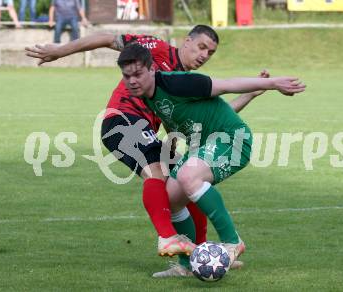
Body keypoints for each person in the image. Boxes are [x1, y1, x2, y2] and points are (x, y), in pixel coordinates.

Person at [25, 25, 263, 275]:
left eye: (210, 52)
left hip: (146, 130)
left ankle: (199, 258)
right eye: (201, 47)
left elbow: (216, 117)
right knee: (157, 174)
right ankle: (168, 237)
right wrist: (60, 51)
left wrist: (251, 95)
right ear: (187, 41)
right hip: (123, 120)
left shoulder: (185, 83)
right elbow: (108, 38)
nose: (204, 55)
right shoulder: (156, 50)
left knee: (185, 181)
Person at [116, 43, 306, 276]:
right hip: (204, 146)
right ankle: (186, 266)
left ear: (151, 69)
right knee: (171, 199)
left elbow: (227, 85)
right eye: (127, 76)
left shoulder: (178, 82)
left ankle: (232, 241)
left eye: (138, 74)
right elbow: (209, 112)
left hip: (232, 139)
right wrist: (172, 139)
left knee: (187, 176)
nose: (132, 80)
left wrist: (273, 83)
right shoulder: (146, 95)